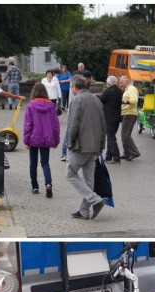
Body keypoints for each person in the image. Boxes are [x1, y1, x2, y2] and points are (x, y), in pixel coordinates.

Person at [65, 76, 106, 220]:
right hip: (94, 146)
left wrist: (69, 143)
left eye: (71, 87)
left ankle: (95, 200)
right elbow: (103, 124)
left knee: (71, 174)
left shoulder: (77, 100)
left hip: (81, 146)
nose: (71, 90)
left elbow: (73, 124)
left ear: (75, 87)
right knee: (89, 180)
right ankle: (84, 211)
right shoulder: (96, 99)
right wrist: (101, 144)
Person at [22, 83, 60, 198]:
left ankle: (34, 186)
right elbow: (56, 125)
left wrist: (26, 140)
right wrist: (56, 139)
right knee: (45, 162)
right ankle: (48, 184)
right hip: (47, 138)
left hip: (34, 137)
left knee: (33, 163)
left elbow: (28, 124)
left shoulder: (31, 106)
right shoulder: (51, 106)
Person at [61, 70, 93, 161]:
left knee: (70, 131)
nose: (90, 81)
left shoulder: (75, 85)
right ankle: (65, 152)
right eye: (89, 79)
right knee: (70, 131)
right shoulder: (75, 87)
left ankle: (66, 152)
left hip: (74, 111)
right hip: (73, 112)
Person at [98, 76, 123, 164]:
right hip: (117, 117)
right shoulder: (120, 91)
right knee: (110, 136)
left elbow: (100, 100)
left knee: (111, 138)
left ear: (108, 84)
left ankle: (116, 157)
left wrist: (95, 96)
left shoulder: (107, 92)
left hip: (109, 118)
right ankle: (108, 156)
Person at [118, 76, 140, 161]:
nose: (120, 85)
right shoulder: (128, 89)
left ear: (126, 81)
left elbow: (134, 101)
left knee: (125, 135)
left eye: (121, 82)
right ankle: (126, 153)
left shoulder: (131, 89)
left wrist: (122, 101)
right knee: (124, 135)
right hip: (127, 113)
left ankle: (135, 152)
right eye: (119, 83)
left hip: (129, 113)